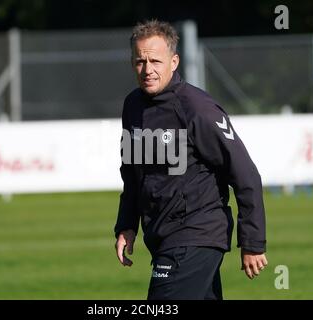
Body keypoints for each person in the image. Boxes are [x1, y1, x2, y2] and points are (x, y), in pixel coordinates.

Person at [114, 20, 267, 300]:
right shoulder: (132, 106)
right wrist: (126, 224)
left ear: (174, 61)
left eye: (156, 61)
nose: (148, 70)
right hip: (162, 236)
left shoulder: (197, 108)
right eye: (140, 61)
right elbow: (132, 175)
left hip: (196, 233)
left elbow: (245, 173)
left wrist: (252, 241)